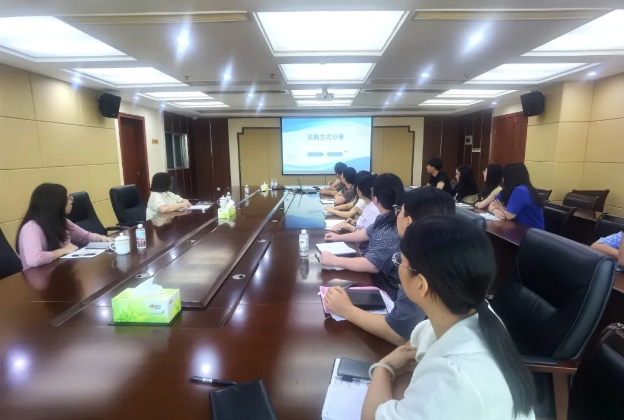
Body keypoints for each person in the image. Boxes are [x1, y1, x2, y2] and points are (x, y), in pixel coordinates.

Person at [361, 216, 535, 420]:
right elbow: (409, 384)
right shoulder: (476, 316)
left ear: (421, 285)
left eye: (401, 261)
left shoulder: (453, 378)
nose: (398, 267)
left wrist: (383, 368)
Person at [325, 188, 455, 345]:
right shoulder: (445, 249)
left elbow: (399, 333)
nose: (396, 215)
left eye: (400, 211)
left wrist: (346, 310)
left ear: (408, 221)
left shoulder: (421, 262)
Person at [322, 174, 404, 300]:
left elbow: (372, 265)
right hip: (377, 283)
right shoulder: (387, 216)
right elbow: (365, 233)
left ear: (375, 198)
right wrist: (337, 237)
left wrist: (334, 260)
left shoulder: (390, 228)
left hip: (386, 294)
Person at [16, 183, 113, 270]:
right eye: (68, 198)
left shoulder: (62, 221)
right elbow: (34, 259)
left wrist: (102, 239)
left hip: (59, 271)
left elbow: (86, 236)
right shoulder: (31, 228)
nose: (71, 201)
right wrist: (64, 250)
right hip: (36, 279)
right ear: (55, 203)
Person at [488, 163, 545, 229]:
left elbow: (509, 216)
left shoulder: (521, 190)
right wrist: (495, 210)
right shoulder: (508, 189)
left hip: (532, 232)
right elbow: (491, 205)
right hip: (516, 227)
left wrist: (501, 208)